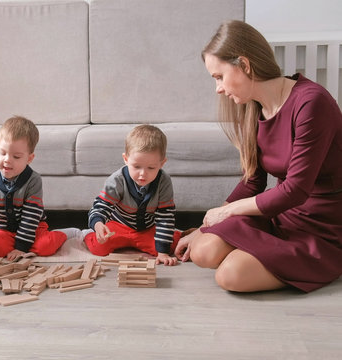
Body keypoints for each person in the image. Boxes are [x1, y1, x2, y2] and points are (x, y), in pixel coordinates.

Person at [174, 20, 342, 292]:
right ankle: (260, 256)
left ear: (244, 64)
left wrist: (226, 213)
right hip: (281, 215)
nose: (217, 88)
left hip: (321, 227)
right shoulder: (255, 107)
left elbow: (295, 191)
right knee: (203, 250)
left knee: (230, 276)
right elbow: (253, 182)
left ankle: (304, 263)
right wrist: (207, 223)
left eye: (219, 76)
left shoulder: (312, 103)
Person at [0, 116, 75, 261]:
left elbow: (31, 216)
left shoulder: (33, 180)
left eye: (16, 157)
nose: (7, 160)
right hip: (2, 230)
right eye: (3, 153)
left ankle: (69, 233)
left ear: (29, 159)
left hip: (33, 228)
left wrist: (21, 247)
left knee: (45, 246)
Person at [83, 124, 181, 265]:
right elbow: (102, 206)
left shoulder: (164, 181)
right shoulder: (117, 180)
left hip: (146, 229)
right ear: (126, 159)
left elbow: (165, 216)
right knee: (98, 247)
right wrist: (98, 224)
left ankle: (179, 235)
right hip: (119, 226)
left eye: (151, 168)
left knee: (170, 246)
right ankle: (88, 236)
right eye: (136, 167)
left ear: (162, 163)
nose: (143, 174)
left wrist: (163, 252)